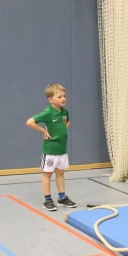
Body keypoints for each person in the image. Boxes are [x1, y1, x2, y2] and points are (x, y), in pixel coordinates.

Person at [26, 83, 77, 211]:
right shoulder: (48, 112)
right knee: (47, 174)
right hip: (50, 150)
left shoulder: (65, 112)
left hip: (62, 149)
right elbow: (30, 122)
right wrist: (43, 131)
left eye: (64, 96)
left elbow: (67, 121)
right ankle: (47, 200)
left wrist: (62, 130)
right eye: (59, 97)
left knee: (60, 173)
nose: (63, 98)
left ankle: (62, 198)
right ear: (50, 99)